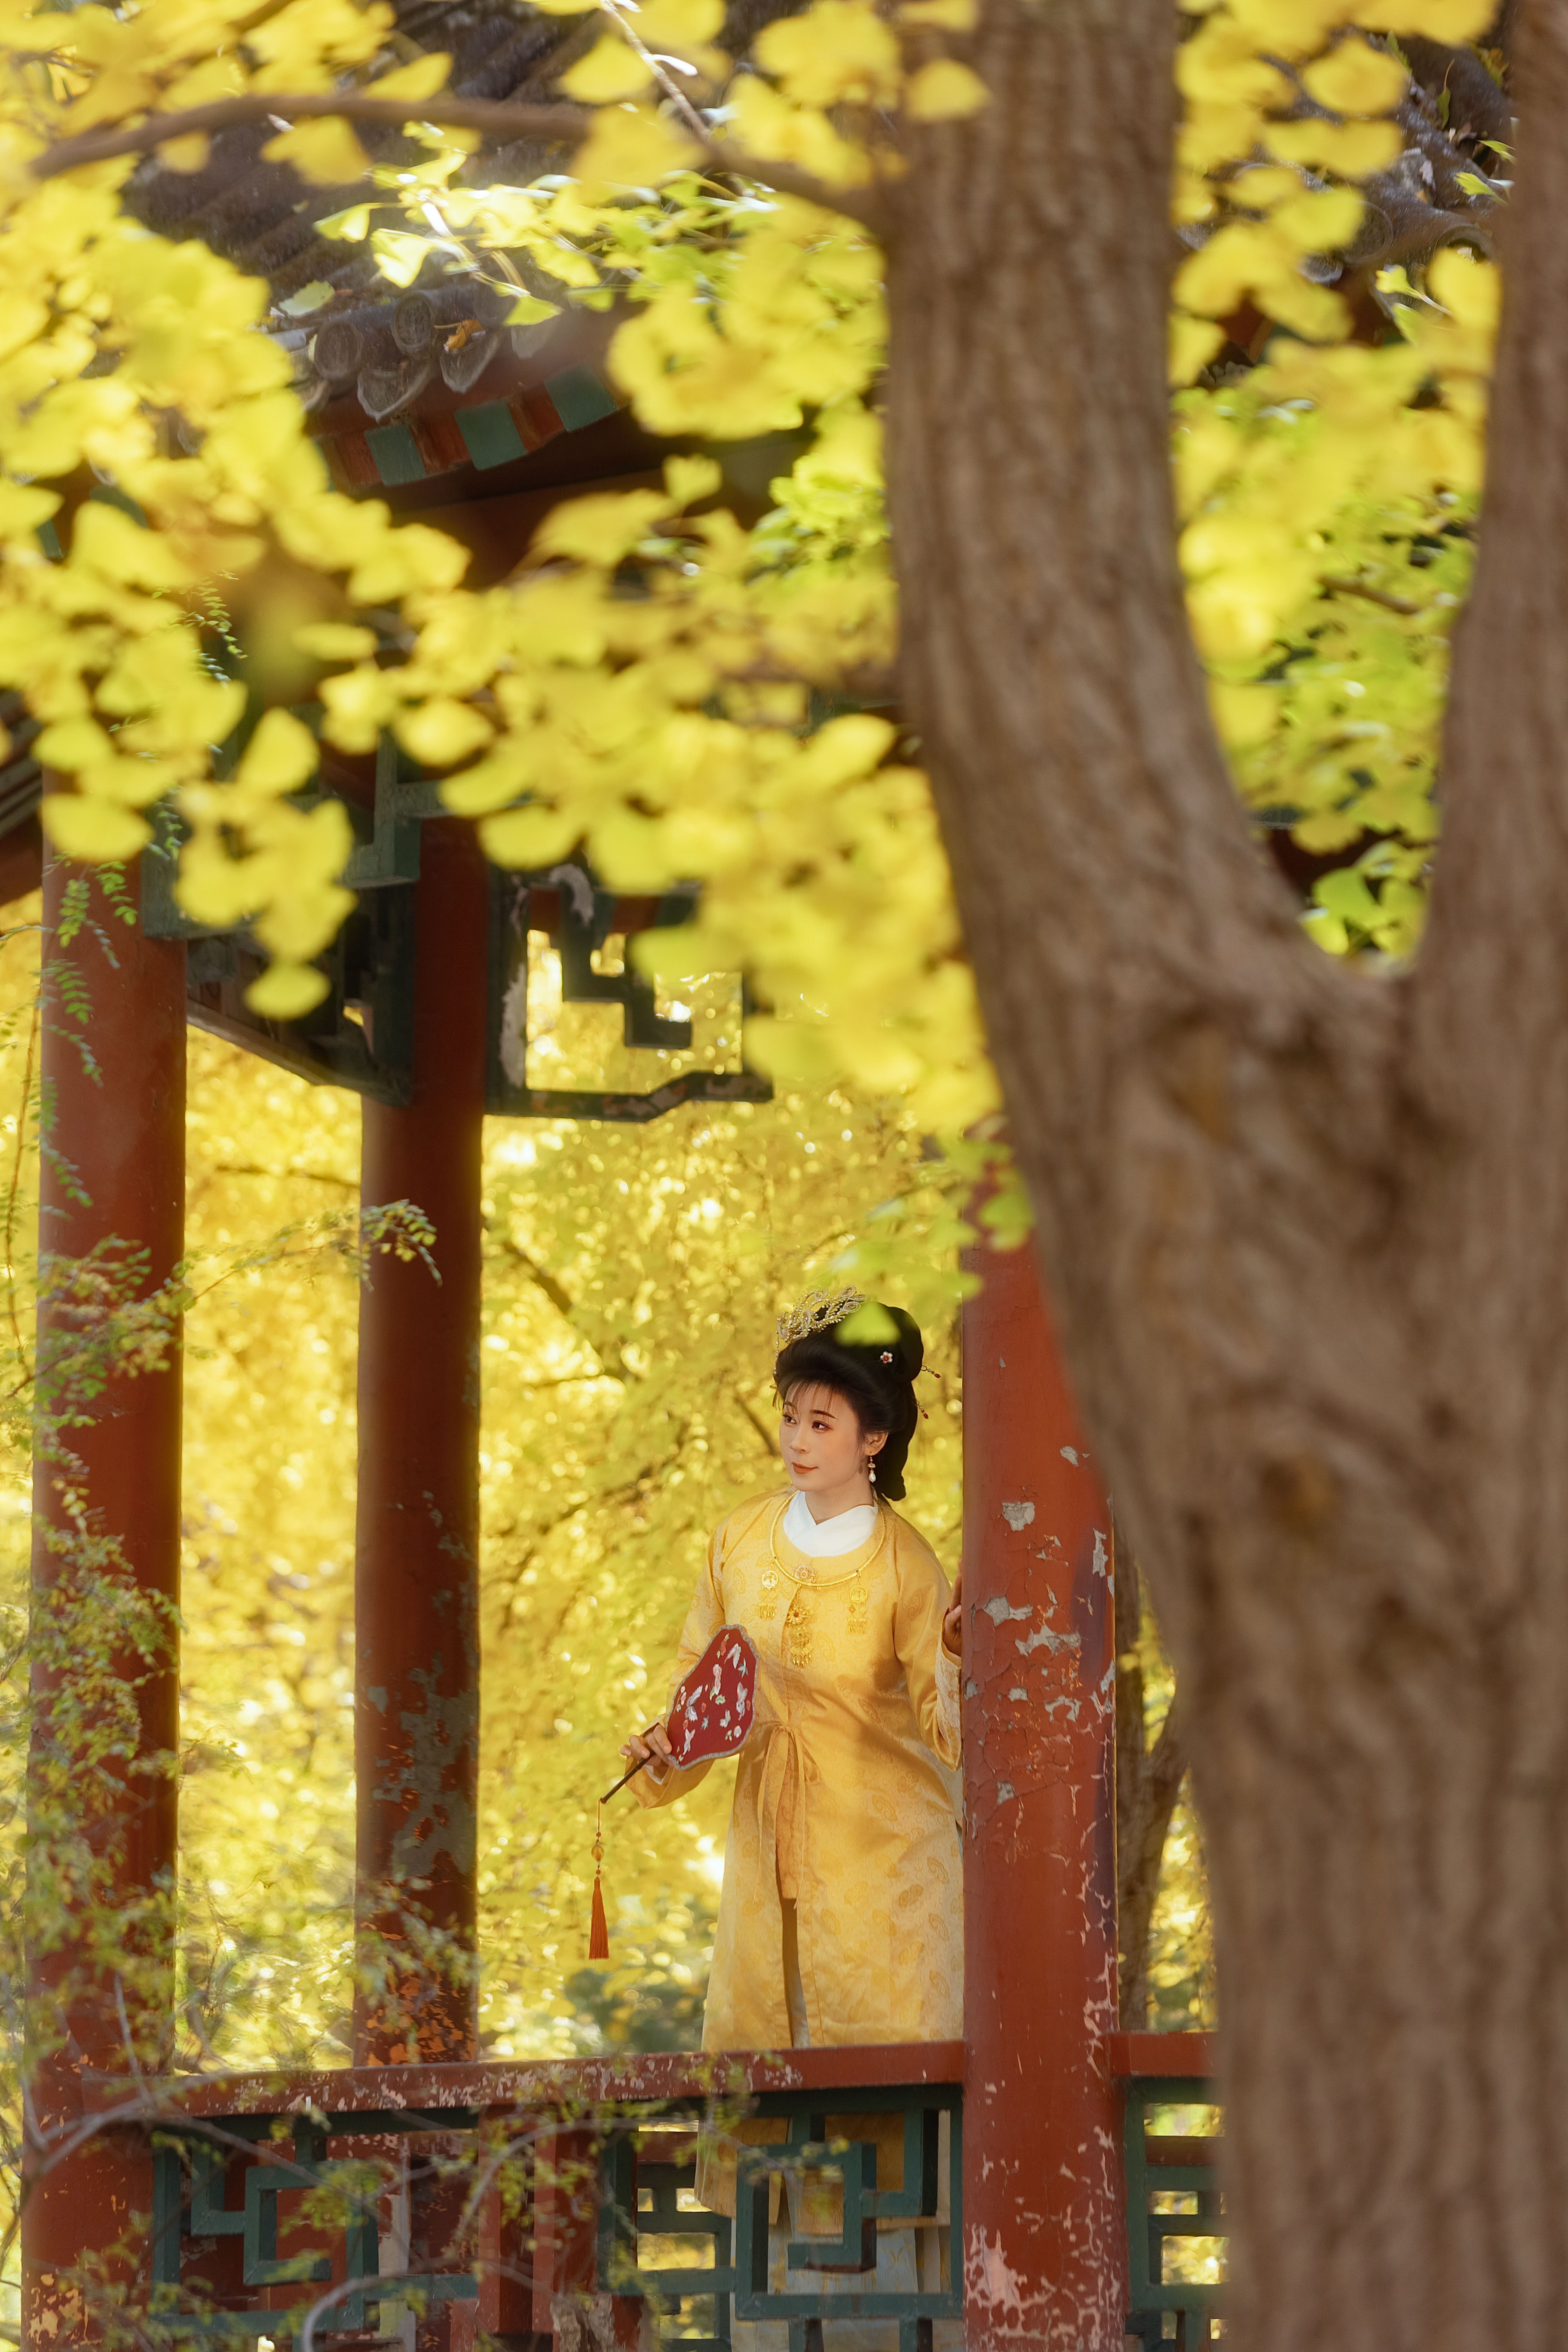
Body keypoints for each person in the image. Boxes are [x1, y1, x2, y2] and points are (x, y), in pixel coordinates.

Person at [618, 1290, 965, 2352]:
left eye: (823, 1422)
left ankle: (900, 2328)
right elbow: (700, 1692)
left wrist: (964, 1654)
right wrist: (664, 1747)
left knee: (883, 2095)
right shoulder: (737, 1542)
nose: (798, 1440)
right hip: (766, 1850)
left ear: (875, 1437)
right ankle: (774, 2331)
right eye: (790, 1416)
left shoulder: (908, 1565)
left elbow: (953, 1730)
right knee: (769, 2073)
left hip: (889, 1871)